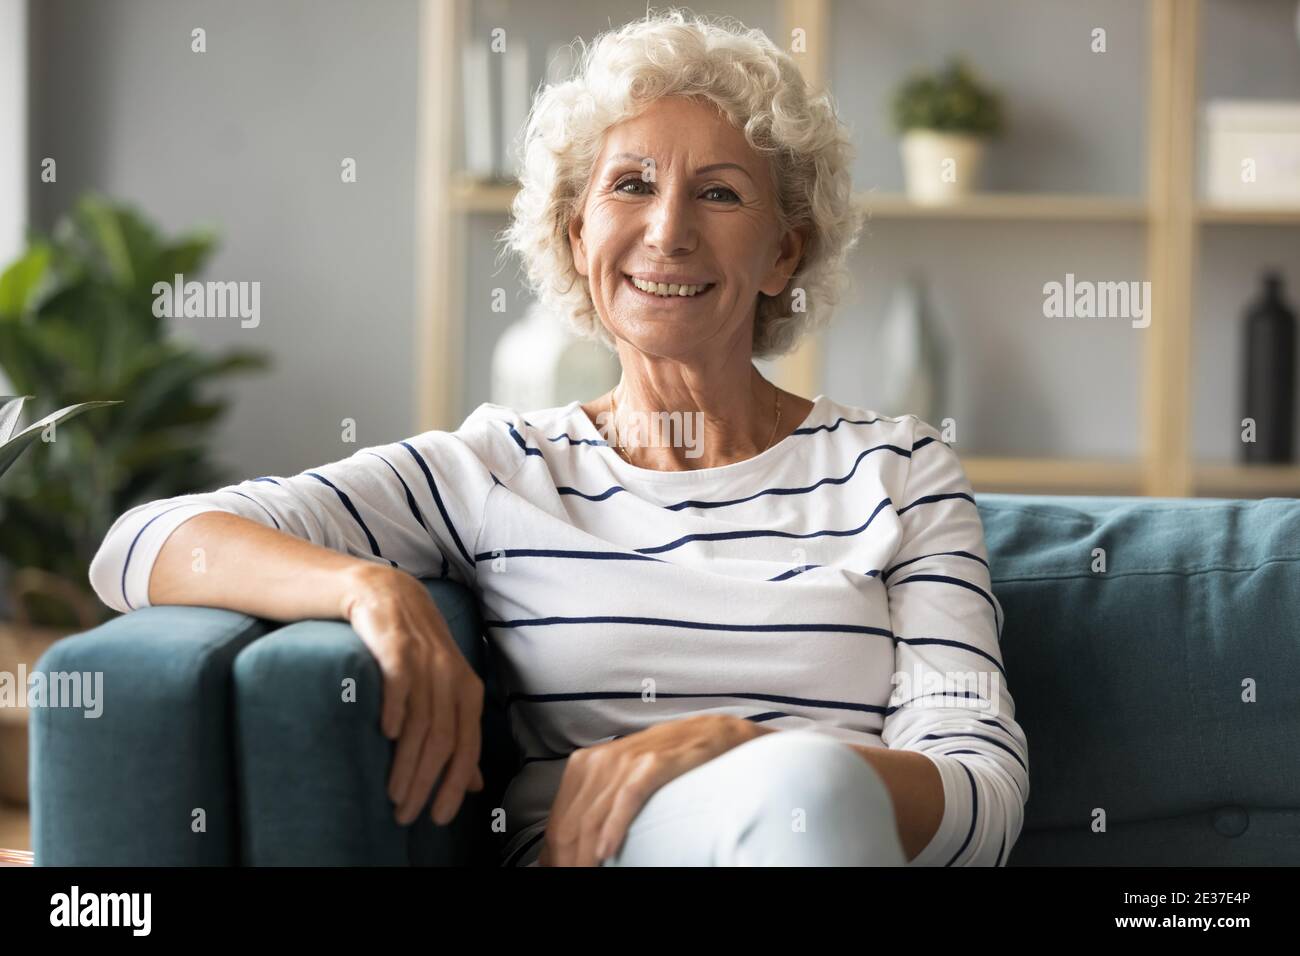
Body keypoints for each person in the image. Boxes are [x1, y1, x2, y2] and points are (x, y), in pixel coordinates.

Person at [88, 10, 1028, 867]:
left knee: (806, 791)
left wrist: (748, 749)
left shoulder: (898, 469)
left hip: (837, 839)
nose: (668, 232)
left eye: (719, 193)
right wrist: (365, 585)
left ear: (783, 251)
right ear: (579, 236)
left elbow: (980, 785)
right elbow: (140, 545)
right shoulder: (501, 469)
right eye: (631, 186)